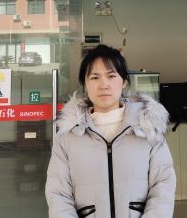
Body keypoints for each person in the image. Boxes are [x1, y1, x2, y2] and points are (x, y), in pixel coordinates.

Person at [45, 45, 176, 218]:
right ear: (85, 84)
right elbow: (58, 195)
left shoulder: (148, 129)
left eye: (111, 76)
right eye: (94, 77)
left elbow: (163, 186)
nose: (103, 85)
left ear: (124, 82)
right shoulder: (68, 136)